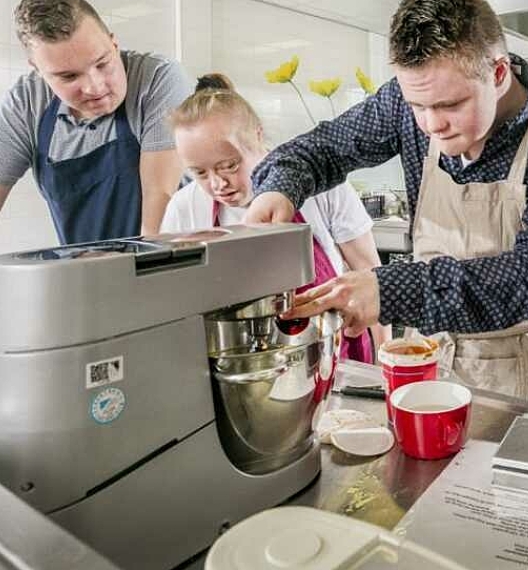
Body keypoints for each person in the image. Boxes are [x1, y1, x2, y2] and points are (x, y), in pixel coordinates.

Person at [244, 0, 528, 407]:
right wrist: (279, 188)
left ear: (498, 73)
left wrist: (389, 290)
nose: (432, 124)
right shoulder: (404, 103)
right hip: (424, 357)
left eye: (451, 104)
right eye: (419, 105)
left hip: (517, 373)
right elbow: (318, 149)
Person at [160, 73, 388, 361]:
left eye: (229, 166)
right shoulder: (185, 208)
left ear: (257, 135)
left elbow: (371, 274)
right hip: (240, 362)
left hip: (332, 351)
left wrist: (386, 364)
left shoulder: (320, 185)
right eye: (200, 173)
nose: (218, 184)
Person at [0, 0, 190, 245]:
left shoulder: (156, 78)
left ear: (114, 43)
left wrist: (145, 275)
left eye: (102, 63)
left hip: (166, 259)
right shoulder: (26, 103)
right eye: (69, 76)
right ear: (38, 70)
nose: (95, 87)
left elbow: (160, 198)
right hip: (87, 272)